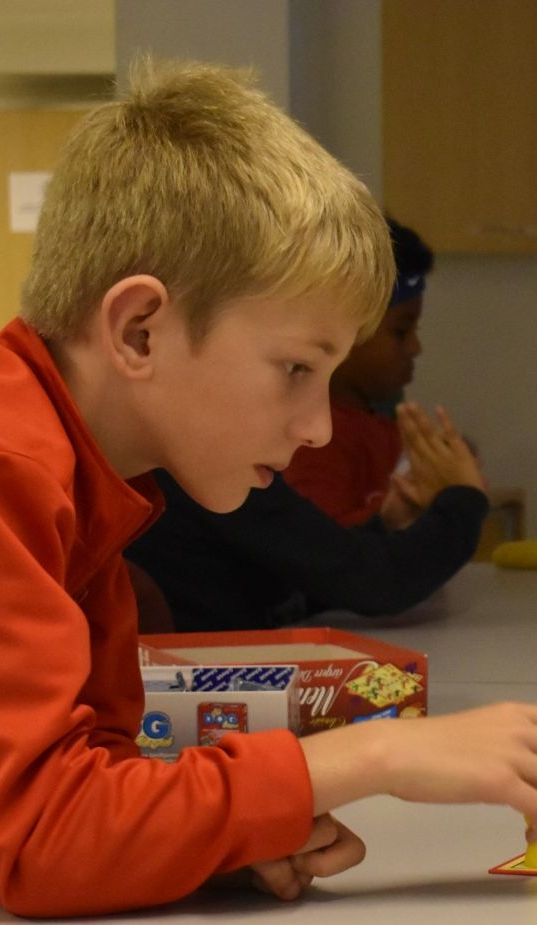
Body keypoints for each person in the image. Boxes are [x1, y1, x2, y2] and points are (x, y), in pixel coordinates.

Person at [0, 60, 537, 917]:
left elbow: (93, 774)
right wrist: (375, 754)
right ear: (139, 332)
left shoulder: (54, 447)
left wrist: (211, 837)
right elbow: (41, 840)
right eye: (295, 369)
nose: (319, 427)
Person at [126, 216, 488, 631]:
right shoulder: (197, 451)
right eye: (295, 368)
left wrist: (382, 525)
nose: (318, 430)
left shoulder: (194, 446)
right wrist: (464, 499)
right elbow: (371, 583)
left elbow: (299, 575)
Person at [281, 217, 437, 529]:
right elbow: (319, 545)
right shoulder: (313, 440)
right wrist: (396, 513)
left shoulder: (381, 426)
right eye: (401, 331)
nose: (415, 348)